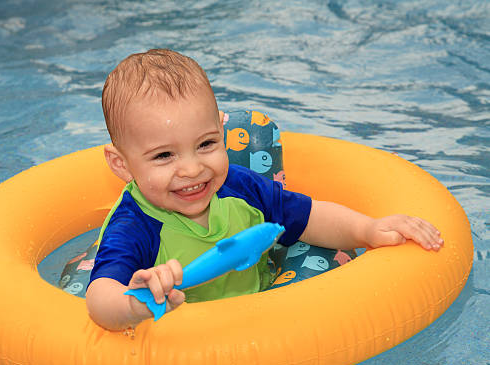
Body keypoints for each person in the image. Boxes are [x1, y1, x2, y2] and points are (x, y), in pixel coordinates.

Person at [85, 48, 443, 333]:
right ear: (121, 164)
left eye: (206, 144)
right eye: (164, 155)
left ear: (221, 132)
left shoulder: (240, 186)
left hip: (263, 317)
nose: (193, 169)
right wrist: (135, 302)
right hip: (180, 339)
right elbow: (100, 297)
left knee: (313, 350)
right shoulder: (133, 225)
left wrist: (369, 229)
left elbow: (310, 217)